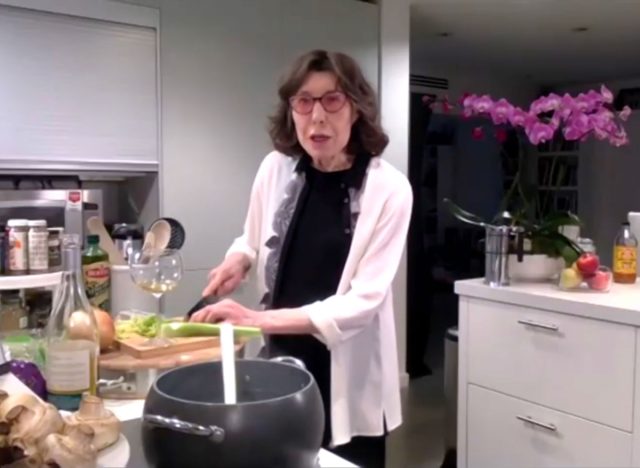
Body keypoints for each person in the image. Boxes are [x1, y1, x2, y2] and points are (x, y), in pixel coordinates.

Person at [191, 49, 412, 468]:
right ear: (291, 109)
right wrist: (239, 259)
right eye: (304, 101)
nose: (317, 117)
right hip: (281, 357)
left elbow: (363, 303)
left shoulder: (390, 189)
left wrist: (255, 320)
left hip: (348, 370)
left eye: (332, 100)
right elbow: (252, 237)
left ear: (357, 109)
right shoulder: (276, 168)